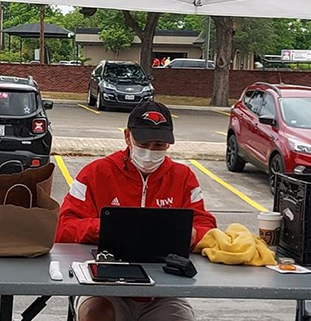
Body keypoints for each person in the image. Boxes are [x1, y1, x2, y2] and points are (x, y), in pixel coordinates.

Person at [55, 101, 217, 321]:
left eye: (159, 145)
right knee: (96, 313)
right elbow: (63, 227)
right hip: (103, 286)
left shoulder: (184, 177)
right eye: (143, 143)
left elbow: (207, 226)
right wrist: (108, 229)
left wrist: (194, 235)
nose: (150, 152)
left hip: (164, 291)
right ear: (127, 136)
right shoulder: (95, 173)